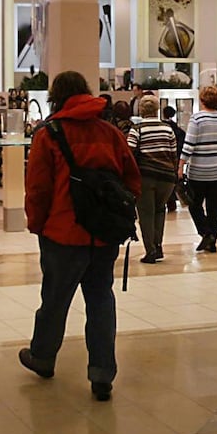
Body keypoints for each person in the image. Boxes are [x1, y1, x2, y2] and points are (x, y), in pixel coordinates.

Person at [18, 70, 141, 401]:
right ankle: (102, 374)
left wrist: (37, 224)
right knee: (101, 299)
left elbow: (38, 188)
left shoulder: (50, 134)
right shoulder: (110, 132)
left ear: (55, 96)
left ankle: (42, 357)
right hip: (103, 235)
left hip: (62, 234)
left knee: (55, 300)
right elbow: (131, 178)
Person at [181, 85, 217, 254]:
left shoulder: (197, 119)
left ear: (202, 100)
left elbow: (189, 144)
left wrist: (181, 164)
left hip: (199, 170)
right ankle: (212, 240)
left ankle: (205, 232)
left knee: (194, 204)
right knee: (215, 207)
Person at [127, 95, 178, 263]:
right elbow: (173, 154)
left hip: (146, 177)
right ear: (157, 110)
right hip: (167, 178)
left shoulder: (137, 129)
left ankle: (150, 250)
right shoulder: (167, 128)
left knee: (146, 213)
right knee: (160, 210)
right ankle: (159, 246)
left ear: (141, 110)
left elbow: (129, 153)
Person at [162, 105, 186, 213]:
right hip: (174, 157)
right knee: (172, 179)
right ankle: (172, 202)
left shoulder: (162, 128)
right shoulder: (178, 130)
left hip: (163, 157)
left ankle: (164, 202)